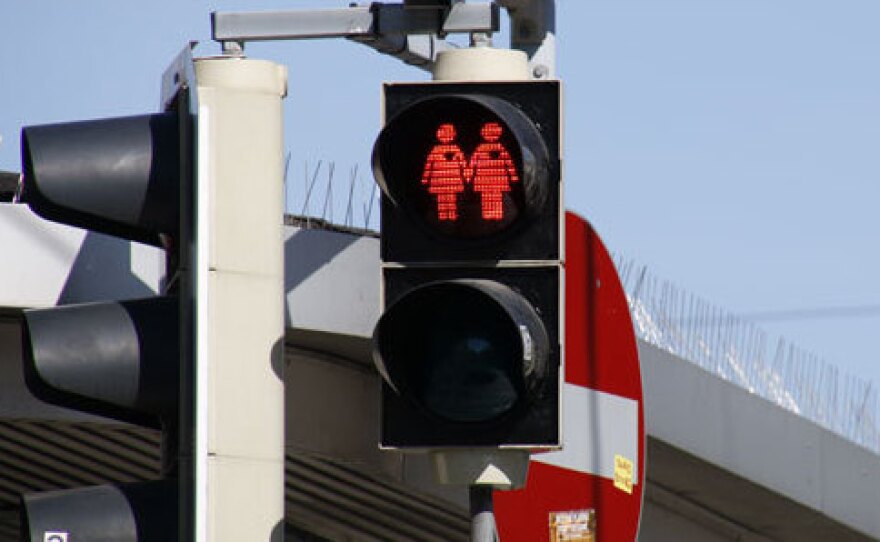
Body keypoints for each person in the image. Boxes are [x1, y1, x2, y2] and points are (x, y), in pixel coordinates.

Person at [468, 122, 518, 220]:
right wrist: (513, 176)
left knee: (495, 199)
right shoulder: (485, 149)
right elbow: (473, 162)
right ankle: (490, 215)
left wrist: (468, 175)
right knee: (490, 199)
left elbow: (508, 163)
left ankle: (493, 215)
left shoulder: (498, 149)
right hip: (493, 180)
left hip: (487, 180)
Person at [420, 123, 467, 221]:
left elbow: (463, 164)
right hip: (443, 182)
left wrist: (425, 179)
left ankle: (450, 216)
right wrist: (425, 179)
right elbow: (429, 165)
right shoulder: (437, 150)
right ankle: (445, 216)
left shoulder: (455, 150)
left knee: (450, 200)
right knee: (443, 201)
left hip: (445, 182)